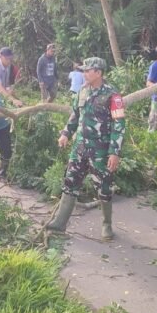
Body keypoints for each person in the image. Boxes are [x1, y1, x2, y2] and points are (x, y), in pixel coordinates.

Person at [46, 57, 125, 241]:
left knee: (103, 188)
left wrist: (114, 152)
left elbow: (119, 124)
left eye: (87, 70)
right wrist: (66, 133)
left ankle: (107, 225)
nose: (84, 73)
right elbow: (75, 115)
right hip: (80, 148)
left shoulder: (113, 95)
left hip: (101, 151)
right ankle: (60, 223)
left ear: (98, 73)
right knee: (70, 182)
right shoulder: (82, 91)